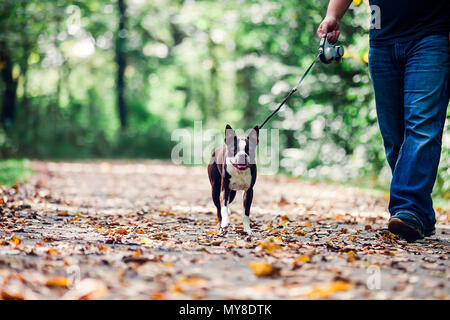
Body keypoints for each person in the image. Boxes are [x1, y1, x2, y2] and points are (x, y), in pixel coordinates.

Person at [317, 0, 450, 241]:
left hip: (432, 36)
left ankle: (408, 208)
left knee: (421, 127)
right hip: (383, 40)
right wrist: (333, 15)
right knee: (393, 135)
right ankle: (421, 213)